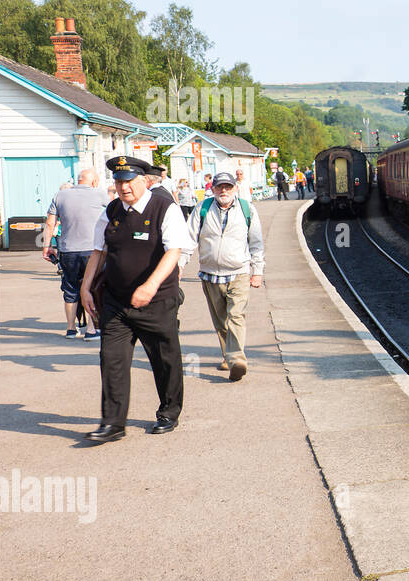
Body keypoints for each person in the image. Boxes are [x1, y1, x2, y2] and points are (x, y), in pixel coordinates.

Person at [79, 155, 196, 442]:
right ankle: (113, 423)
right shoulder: (112, 210)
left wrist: (151, 285)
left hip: (156, 301)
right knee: (112, 359)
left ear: (144, 180)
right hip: (117, 302)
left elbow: (174, 251)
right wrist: (85, 287)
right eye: (118, 182)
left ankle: (169, 412)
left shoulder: (164, 208)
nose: (123, 187)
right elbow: (99, 251)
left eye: (129, 181)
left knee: (164, 359)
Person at [189, 171, 264, 381]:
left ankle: (237, 359)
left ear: (235, 189)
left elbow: (256, 243)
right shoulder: (202, 209)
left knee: (236, 316)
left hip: (238, 272)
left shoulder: (247, 209)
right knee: (221, 320)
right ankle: (227, 356)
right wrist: (177, 267)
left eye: (228, 187)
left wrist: (257, 271)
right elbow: (188, 239)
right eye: (220, 187)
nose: (224, 191)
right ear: (212, 189)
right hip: (210, 274)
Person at [43, 168, 108, 339]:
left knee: (70, 288)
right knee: (93, 287)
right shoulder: (100, 194)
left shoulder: (60, 195)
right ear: (94, 182)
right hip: (92, 250)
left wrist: (47, 246)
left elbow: (50, 223)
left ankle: (71, 328)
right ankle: (92, 329)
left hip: (67, 250)